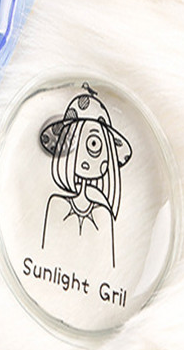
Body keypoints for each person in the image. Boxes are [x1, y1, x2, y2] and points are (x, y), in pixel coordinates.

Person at [40, 85, 132, 268]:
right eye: (75, 141)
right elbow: (44, 253)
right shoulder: (56, 203)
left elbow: (107, 268)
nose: (84, 156)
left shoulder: (103, 214)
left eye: (93, 143)